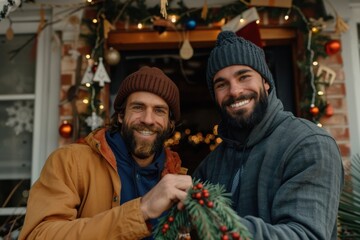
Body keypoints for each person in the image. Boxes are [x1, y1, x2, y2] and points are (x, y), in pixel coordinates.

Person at [192, 31, 344, 240]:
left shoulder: (308, 144)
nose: (234, 91)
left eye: (244, 77)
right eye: (221, 84)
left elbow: (305, 236)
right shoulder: (210, 165)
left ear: (265, 82)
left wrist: (221, 224)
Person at [19, 66, 192, 240]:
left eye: (159, 110)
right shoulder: (70, 161)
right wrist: (141, 210)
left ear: (169, 123)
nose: (148, 119)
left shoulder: (177, 178)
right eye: (138, 107)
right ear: (121, 115)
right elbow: (38, 235)